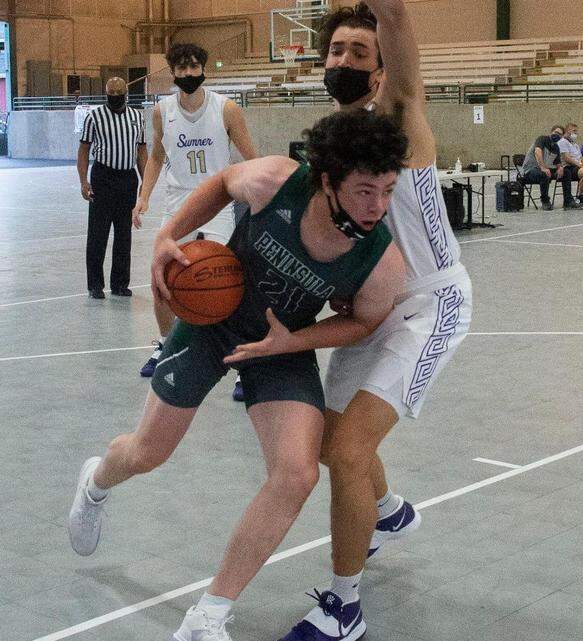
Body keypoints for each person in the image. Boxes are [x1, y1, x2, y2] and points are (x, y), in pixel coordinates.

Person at [67, 108, 409, 641]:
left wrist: (294, 341)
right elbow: (224, 181)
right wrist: (167, 234)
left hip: (279, 343)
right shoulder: (275, 181)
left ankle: (208, 615)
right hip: (211, 324)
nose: (378, 205)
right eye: (366, 190)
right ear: (328, 179)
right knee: (148, 453)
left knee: (297, 474)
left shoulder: (381, 260)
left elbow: (363, 320)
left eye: (388, 189)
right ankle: (95, 483)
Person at [275, 3, 475, 640]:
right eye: (335, 51)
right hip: (374, 309)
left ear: (384, 67)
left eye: (360, 53)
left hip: (429, 304)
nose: (343, 61)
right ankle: (387, 513)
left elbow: (398, 20)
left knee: (353, 450)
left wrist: (386, 20)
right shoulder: (332, 139)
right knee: (336, 448)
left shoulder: (399, 115)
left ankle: (343, 608)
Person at [135, 42, 259, 405]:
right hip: (177, 203)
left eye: (194, 67)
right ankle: (166, 348)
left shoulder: (227, 109)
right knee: (161, 277)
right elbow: (157, 156)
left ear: (204, 68)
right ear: (172, 72)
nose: (189, 74)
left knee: (229, 282)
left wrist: (265, 192)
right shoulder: (162, 111)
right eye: (182, 68)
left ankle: (243, 366)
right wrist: (144, 196)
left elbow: (251, 156)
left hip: (217, 201)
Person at [76, 77, 147, 299]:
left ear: (126, 92)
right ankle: (95, 285)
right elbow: (83, 151)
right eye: (111, 92)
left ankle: (120, 284)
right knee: (98, 234)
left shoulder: (137, 117)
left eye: (119, 91)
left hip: (128, 179)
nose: (115, 95)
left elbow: (142, 152)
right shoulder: (93, 117)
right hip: (103, 177)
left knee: (124, 235)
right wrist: (84, 181)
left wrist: (146, 182)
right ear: (106, 93)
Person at [520, 124, 578, 210]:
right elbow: (538, 152)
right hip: (530, 170)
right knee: (544, 174)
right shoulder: (542, 139)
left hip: (546, 170)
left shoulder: (556, 147)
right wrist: (543, 167)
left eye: (560, 134)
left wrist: (560, 168)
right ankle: (545, 201)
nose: (557, 135)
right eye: (556, 132)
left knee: (566, 172)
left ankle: (568, 200)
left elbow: (558, 162)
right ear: (551, 132)